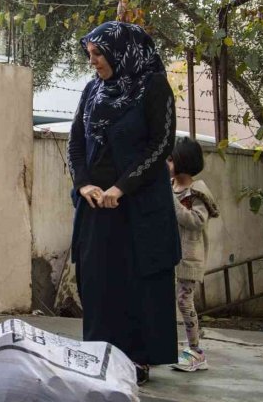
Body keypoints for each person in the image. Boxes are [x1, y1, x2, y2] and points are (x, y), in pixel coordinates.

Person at [67, 21, 180, 385]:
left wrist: (120, 187)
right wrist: (84, 185)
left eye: (98, 54)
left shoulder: (154, 86)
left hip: (139, 204)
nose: (94, 62)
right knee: (98, 280)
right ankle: (100, 354)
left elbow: (161, 144)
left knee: (137, 281)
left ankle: (137, 358)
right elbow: (76, 144)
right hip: (97, 205)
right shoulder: (92, 91)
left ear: (121, 51)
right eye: (91, 55)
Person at [167, 137, 219, 373]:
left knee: (184, 301)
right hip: (168, 254)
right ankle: (167, 346)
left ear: (183, 162)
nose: (166, 164)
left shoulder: (197, 192)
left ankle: (196, 351)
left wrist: (173, 204)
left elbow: (197, 221)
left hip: (189, 257)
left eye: (170, 159)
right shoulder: (169, 186)